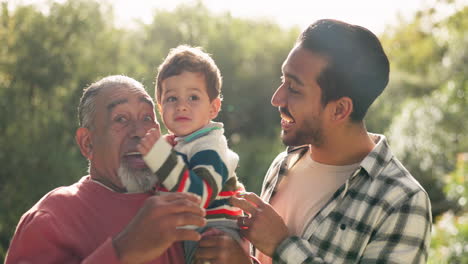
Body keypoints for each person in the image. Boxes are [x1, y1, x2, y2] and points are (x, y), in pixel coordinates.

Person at [227, 19, 432, 263]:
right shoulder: (282, 165)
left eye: (294, 88)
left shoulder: (402, 201)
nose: (277, 99)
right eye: (283, 80)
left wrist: (283, 246)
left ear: (339, 110)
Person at [5, 75, 207, 264]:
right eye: (121, 119)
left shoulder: (187, 191)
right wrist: (122, 251)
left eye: (147, 118)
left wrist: (238, 252)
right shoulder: (51, 219)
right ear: (88, 143)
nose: (140, 132)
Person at [137, 45, 247, 264]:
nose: (182, 107)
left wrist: (160, 158)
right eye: (172, 99)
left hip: (213, 234)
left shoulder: (209, 145)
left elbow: (199, 197)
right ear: (160, 108)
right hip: (191, 231)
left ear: (213, 108)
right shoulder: (179, 144)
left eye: (193, 97)